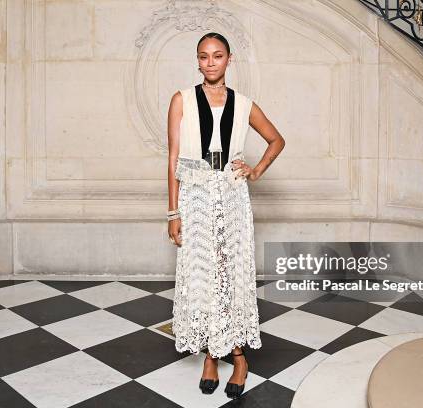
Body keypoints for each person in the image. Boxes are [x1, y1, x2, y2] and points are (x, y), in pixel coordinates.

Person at [166, 32, 285, 399]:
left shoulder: (244, 104)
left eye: (218, 56)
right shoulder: (181, 100)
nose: (210, 62)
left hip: (231, 195)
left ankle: (238, 355)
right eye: (204, 56)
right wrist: (173, 212)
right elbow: (172, 158)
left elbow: (276, 139)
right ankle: (210, 355)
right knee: (201, 274)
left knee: (230, 272)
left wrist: (255, 170)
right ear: (198, 61)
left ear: (229, 60)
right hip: (196, 194)